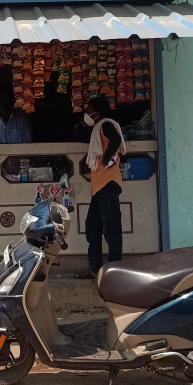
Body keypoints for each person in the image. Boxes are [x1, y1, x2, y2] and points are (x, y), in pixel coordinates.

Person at [82, 96, 126, 279]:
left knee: (111, 229)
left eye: (88, 109)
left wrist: (107, 157)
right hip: (100, 187)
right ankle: (95, 269)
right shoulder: (98, 128)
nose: (86, 113)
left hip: (108, 184)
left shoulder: (105, 124)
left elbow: (115, 140)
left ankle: (114, 273)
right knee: (93, 227)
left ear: (96, 113)